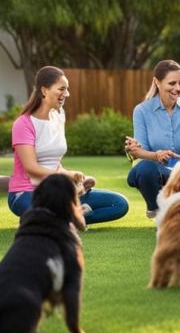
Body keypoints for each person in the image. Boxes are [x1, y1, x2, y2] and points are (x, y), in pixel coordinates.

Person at [8, 66, 129, 227]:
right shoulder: (23, 123)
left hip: (58, 190)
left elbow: (55, 165)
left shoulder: (59, 117)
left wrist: (75, 178)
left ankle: (67, 217)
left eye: (67, 89)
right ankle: (65, 216)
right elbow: (32, 168)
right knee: (52, 211)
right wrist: (66, 180)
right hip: (27, 192)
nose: (67, 94)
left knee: (119, 204)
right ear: (44, 91)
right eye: (62, 89)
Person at [124, 60, 180, 219]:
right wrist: (155, 155)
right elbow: (140, 151)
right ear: (157, 82)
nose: (178, 88)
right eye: (172, 83)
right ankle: (156, 209)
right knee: (145, 169)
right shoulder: (142, 111)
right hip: (157, 172)